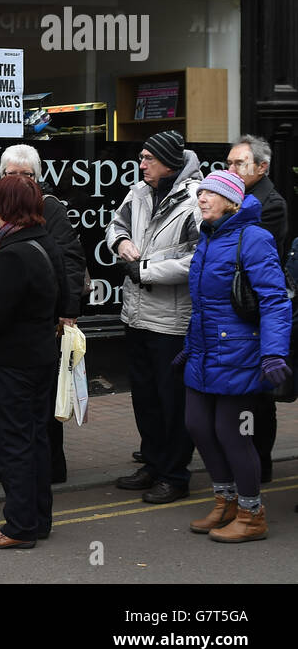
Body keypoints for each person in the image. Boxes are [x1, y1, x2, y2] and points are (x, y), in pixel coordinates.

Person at [175, 170, 290, 542]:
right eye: (201, 192)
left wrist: (273, 352)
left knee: (233, 432)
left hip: (240, 354)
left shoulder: (254, 238)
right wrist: (190, 347)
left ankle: (252, 512)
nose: (201, 197)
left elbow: (274, 299)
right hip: (204, 353)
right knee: (197, 425)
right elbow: (204, 305)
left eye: (210, 192)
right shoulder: (208, 236)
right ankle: (225, 500)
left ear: (232, 201)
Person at [0, 175, 65, 549]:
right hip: (39, 358)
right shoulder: (45, 242)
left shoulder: (11, 254)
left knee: (12, 444)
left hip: (9, 364)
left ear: (4, 207)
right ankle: (38, 519)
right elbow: (63, 299)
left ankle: (19, 527)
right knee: (35, 439)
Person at [0, 143, 86, 484]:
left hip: (35, 326)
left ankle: (45, 470)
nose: (20, 180)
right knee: (12, 414)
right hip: (1, 323)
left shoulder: (50, 210)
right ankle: (15, 468)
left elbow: (69, 262)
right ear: (0, 176)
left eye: (27, 175)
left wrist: (67, 312)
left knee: (38, 411)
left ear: (38, 178)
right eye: (12, 174)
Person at [105, 130, 203, 504]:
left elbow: (198, 259)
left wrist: (146, 270)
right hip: (136, 315)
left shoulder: (195, 200)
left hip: (172, 321)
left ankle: (175, 475)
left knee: (171, 400)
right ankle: (153, 463)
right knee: (144, 397)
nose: (141, 164)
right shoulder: (139, 192)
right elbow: (115, 224)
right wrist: (121, 243)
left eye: (148, 158)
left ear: (168, 163)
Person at [226, 134, 288, 484]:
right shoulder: (235, 196)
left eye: (239, 163)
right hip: (231, 311)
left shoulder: (271, 202)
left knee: (258, 398)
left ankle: (259, 464)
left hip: (252, 309)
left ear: (261, 167)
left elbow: (238, 245)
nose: (230, 168)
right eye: (229, 162)